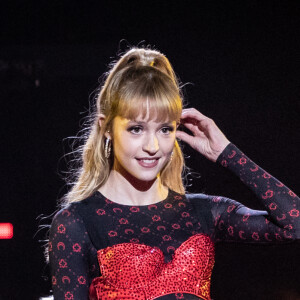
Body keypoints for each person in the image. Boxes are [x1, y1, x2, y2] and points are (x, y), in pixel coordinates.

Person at [49, 47, 299, 300]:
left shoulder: (204, 212)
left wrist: (226, 153)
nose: (153, 146)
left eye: (165, 129)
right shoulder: (77, 222)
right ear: (106, 128)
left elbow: (295, 225)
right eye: (136, 129)